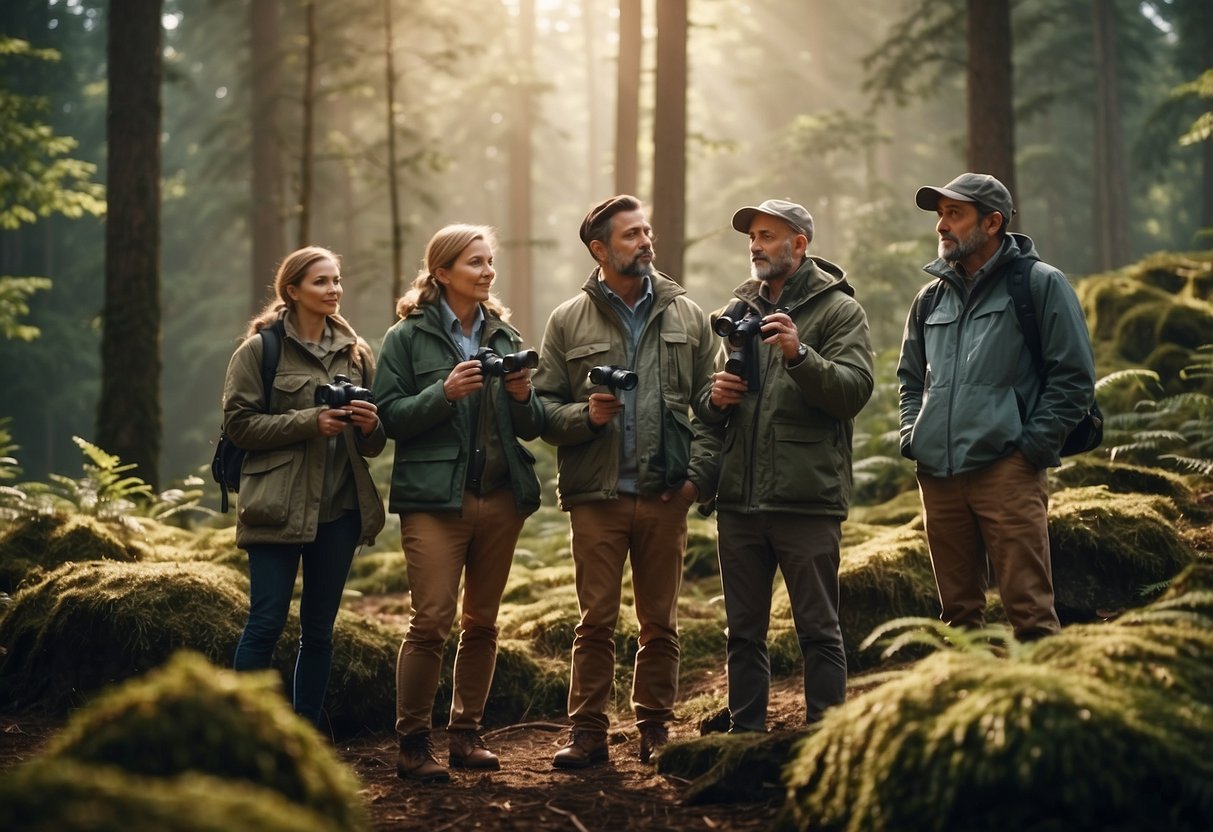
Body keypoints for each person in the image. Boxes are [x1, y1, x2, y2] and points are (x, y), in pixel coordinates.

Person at [533, 194, 716, 768]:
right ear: (600, 248)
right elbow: (539, 407)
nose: (645, 241)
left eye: (646, 231)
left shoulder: (688, 315)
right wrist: (583, 417)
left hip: (666, 494)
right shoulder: (568, 319)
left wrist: (695, 479)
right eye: (631, 234)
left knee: (660, 621)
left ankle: (655, 727)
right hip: (598, 496)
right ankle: (587, 732)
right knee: (595, 620)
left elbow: (716, 407)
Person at [374, 224, 544, 784]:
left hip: (499, 497)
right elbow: (388, 417)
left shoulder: (504, 334)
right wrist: (441, 394)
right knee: (431, 621)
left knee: (483, 622)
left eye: (490, 261)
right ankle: (412, 742)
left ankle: (466, 736)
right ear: (442, 272)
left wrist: (522, 396)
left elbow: (530, 425)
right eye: (475, 262)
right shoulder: (407, 338)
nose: (487, 271)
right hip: (433, 502)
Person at [695, 199, 874, 731]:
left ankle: (825, 739)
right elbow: (708, 405)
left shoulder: (839, 309)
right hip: (739, 499)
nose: (755, 245)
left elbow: (853, 392)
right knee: (742, 631)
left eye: (768, 236)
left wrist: (800, 356)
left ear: (800, 244)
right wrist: (715, 396)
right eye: (752, 236)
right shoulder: (737, 309)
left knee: (818, 629)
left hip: (805, 497)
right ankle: (745, 734)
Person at [897, 173, 1096, 640]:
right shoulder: (930, 298)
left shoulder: (1040, 284)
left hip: (1007, 471)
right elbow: (909, 378)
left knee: (1029, 612)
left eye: (955, 214)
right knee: (958, 621)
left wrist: (1029, 449)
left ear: (992, 223)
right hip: (938, 477)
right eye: (941, 215)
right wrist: (913, 436)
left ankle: (1041, 711)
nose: (942, 226)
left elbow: (1074, 377)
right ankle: (971, 709)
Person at [224, 245, 386, 732]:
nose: (333, 289)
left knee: (318, 634)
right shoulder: (260, 350)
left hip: (339, 511)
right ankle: (243, 735)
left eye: (336, 280)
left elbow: (375, 445)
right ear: (291, 291)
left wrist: (368, 423)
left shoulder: (357, 353)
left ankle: (306, 737)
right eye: (320, 281)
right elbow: (239, 425)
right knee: (265, 623)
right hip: (277, 506)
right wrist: (309, 421)